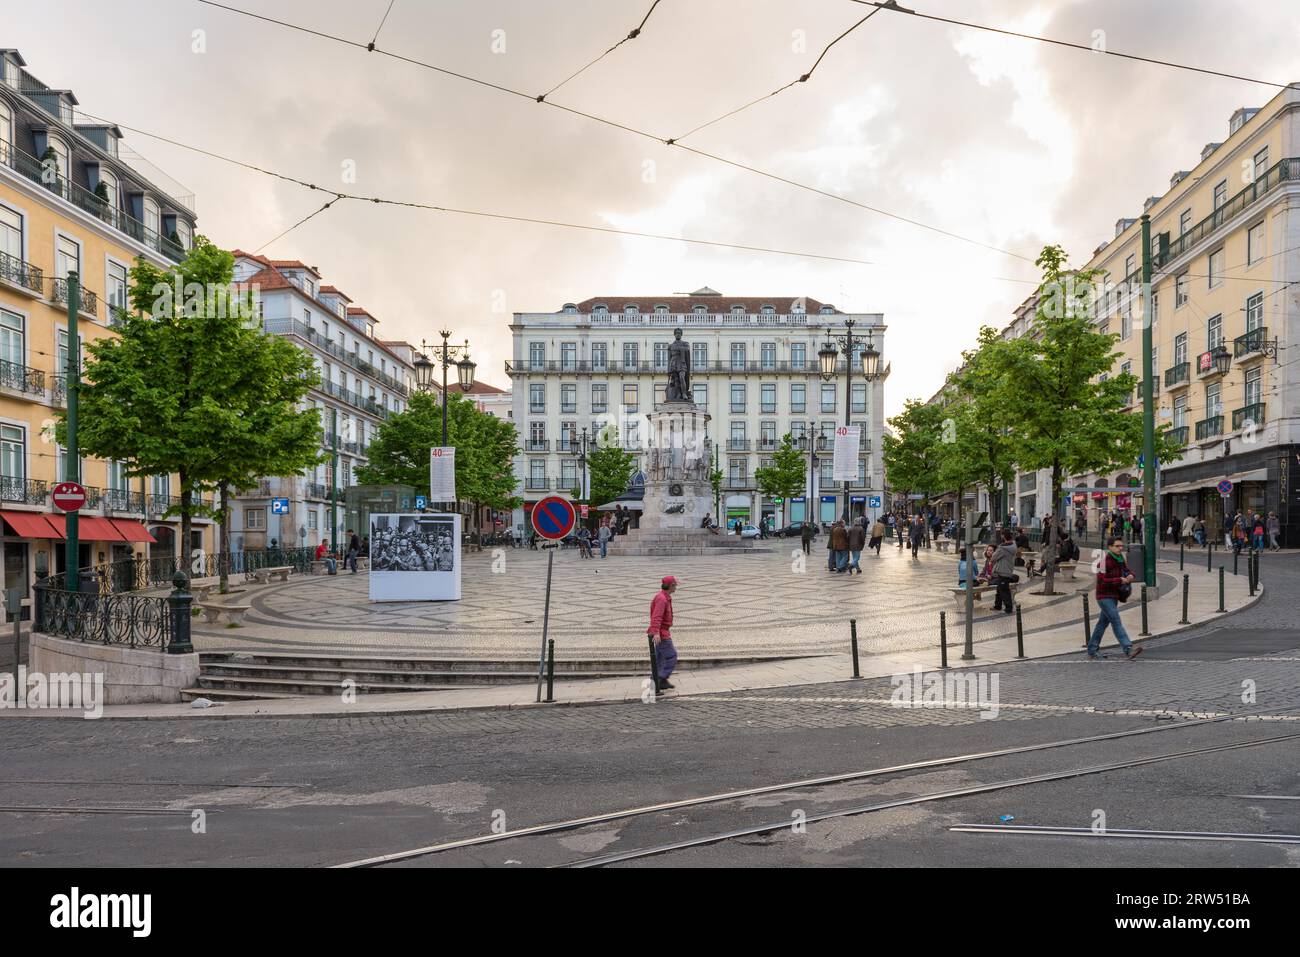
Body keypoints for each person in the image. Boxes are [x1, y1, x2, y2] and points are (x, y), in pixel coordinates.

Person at [1088, 538, 1142, 660]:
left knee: (1102, 624)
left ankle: (1092, 649)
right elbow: (1101, 580)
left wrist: (1130, 575)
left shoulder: (1120, 559)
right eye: (1117, 546)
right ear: (1110, 547)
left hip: (1114, 596)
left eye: (1121, 546)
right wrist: (1119, 580)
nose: (1120, 548)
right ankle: (1128, 648)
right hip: (1103, 597)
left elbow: (1128, 570)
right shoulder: (1102, 563)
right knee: (1116, 621)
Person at [647, 575, 679, 692]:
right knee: (671, 656)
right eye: (675, 585)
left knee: (659, 659)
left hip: (662, 632)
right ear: (671, 586)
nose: (676, 587)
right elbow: (657, 617)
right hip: (661, 633)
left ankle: (657, 680)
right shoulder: (662, 599)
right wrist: (656, 633)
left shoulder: (664, 597)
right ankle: (660, 678)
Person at [991, 531, 1018, 614]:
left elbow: (993, 557)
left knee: (1004, 590)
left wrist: (999, 547)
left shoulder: (1003, 548)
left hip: (1003, 571)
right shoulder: (1013, 545)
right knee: (999, 590)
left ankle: (1008, 608)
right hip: (1007, 570)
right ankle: (997, 605)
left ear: (1004, 537)